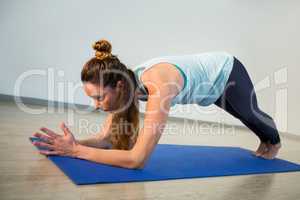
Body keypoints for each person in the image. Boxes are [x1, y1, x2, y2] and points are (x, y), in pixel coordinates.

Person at [32, 39, 282, 169]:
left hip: (225, 73)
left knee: (250, 115)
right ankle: (265, 141)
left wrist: (76, 152)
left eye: (99, 97)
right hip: (206, 85)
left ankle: (273, 140)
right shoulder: (128, 85)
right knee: (246, 115)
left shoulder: (157, 87)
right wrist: (72, 143)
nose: (96, 105)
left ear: (118, 87)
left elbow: (136, 160)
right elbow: (106, 138)